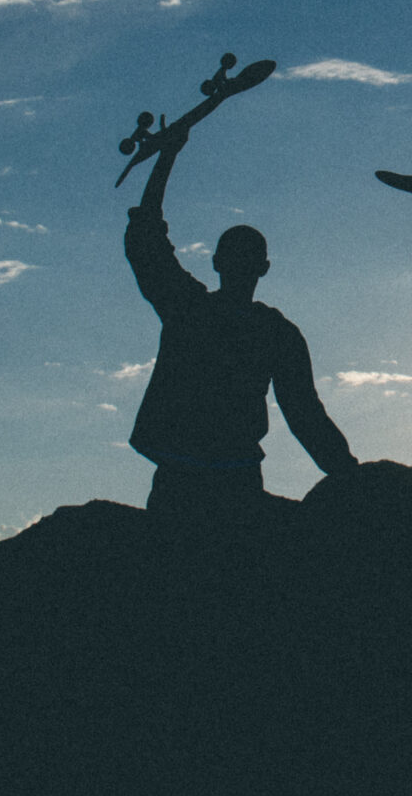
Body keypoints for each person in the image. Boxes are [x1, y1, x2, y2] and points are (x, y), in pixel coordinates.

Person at [123, 121, 355, 519]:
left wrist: (167, 158)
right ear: (264, 268)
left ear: (219, 263)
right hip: (210, 478)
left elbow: (146, 243)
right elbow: (305, 416)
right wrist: (352, 477)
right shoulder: (266, 330)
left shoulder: (194, 310)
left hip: (213, 478)